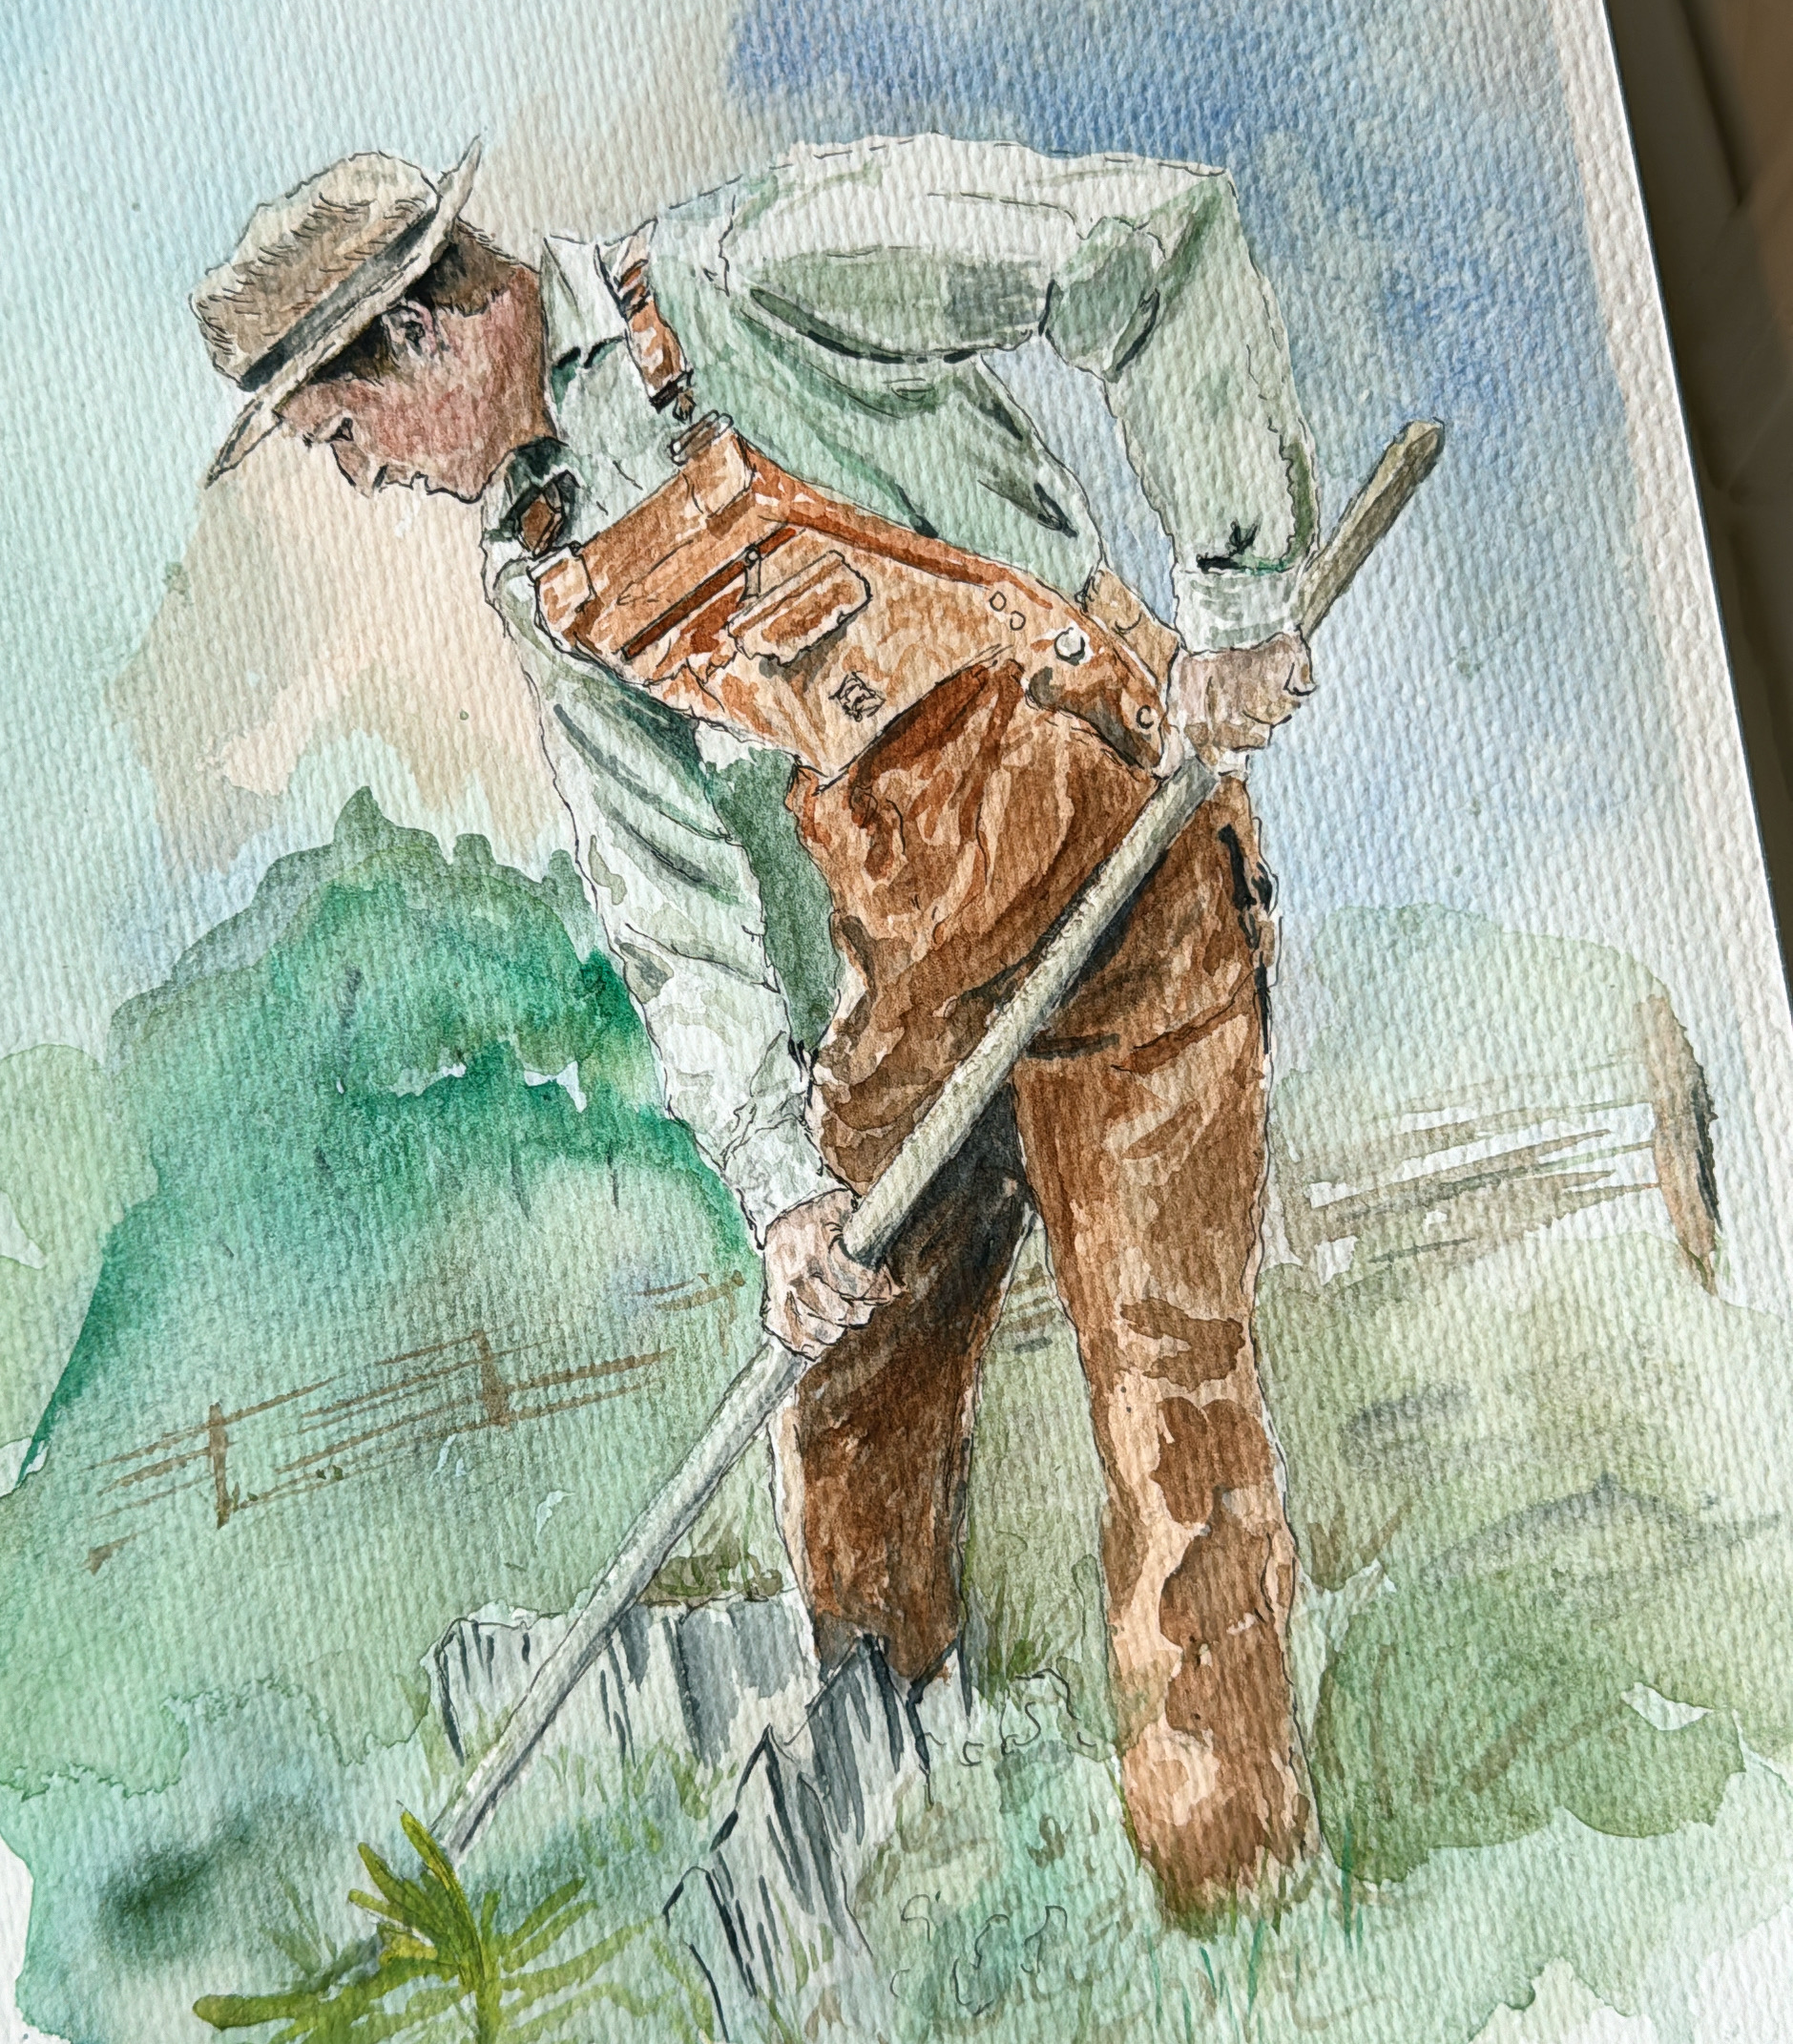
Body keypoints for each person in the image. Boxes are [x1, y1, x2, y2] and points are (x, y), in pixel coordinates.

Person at [196, 133, 1319, 1912]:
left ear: (423, 334)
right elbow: (671, 900)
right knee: (850, 1384)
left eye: (345, 435)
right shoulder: (542, 565)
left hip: (1133, 873)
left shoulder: (760, 270)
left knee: (1167, 1402)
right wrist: (784, 1189)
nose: (365, 480)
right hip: (923, 962)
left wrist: (1240, 597)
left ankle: (1234, 1896)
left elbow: (1152, 243)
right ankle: (893, 1822)